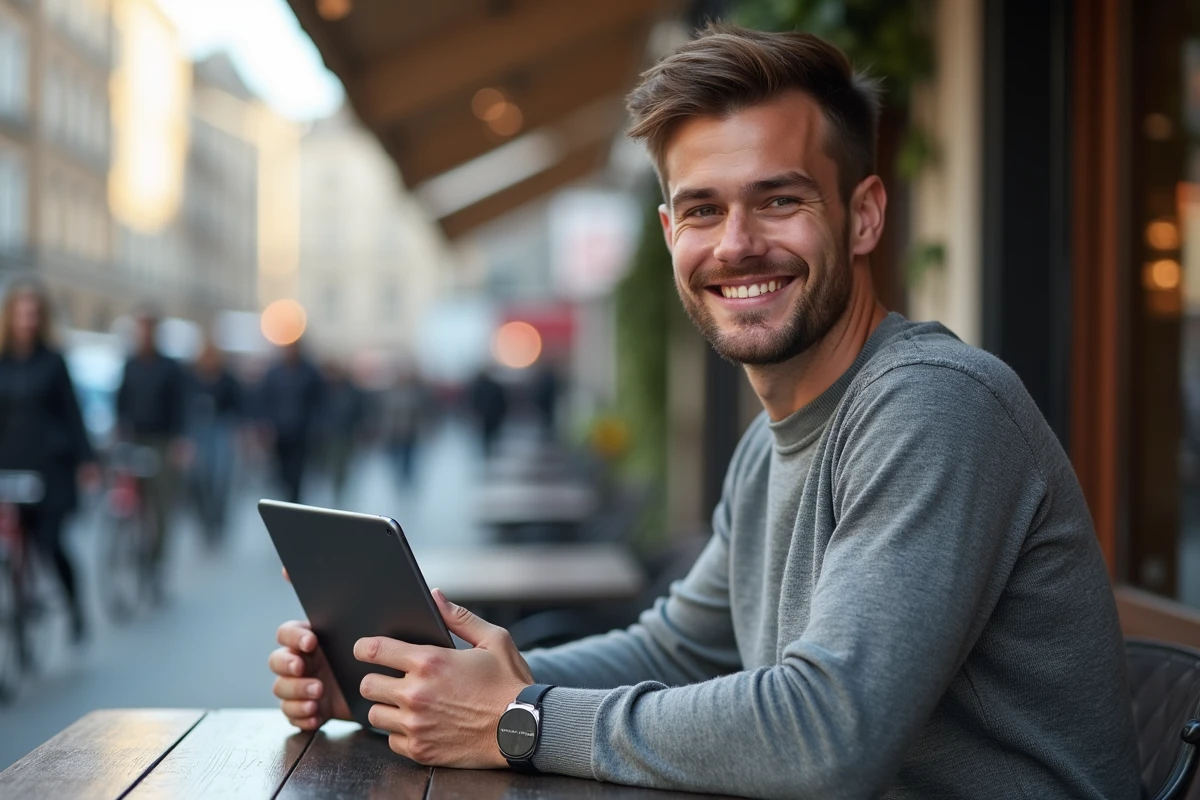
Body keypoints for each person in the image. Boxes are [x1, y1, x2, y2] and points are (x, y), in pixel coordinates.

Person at [268, 24, 1140, 799]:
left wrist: (518, 720)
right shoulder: (774, 443)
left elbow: (828, 735)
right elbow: (677, 650)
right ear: (669, 234)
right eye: (703, 209)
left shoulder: (935, 406)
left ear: (865, 216)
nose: (736, 244)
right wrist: (420, 684)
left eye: (780, 199)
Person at [0, 280, 95, 646]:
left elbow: (72, 414)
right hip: (9, 465)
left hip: (49, 469)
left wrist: (85, 460)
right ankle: (17, 608)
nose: (27, 320)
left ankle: (74, 603)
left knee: (50, 542)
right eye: (21, 313)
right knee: (12, 541)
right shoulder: (3, 361)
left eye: (33, 314)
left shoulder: (53, 361)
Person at [116, 310, 189, 603]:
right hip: (135, 439)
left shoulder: (170, 367)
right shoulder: (130, 364)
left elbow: (181, 405)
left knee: (161, 507)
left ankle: (157, 563)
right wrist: (119, 430)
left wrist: (180, 441)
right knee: (129, 498)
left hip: (163, 441)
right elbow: (120, 401)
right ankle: (129, 547)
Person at [186, 339, 242, 548]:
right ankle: (205, 521)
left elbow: (238, 406)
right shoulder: (193, 378)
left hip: (220, 429)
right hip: (198, 430)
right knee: (198, 478)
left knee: (219, 479)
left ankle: (217, 523)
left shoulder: (227, 379)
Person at [259, 341, 323, 505]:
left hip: (301, 431)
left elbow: (318, 400)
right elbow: (265, 400)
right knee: (281, 470)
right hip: (279, 431)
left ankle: (294, 500)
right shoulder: (274, 373)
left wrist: (315, 424)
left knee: (297, 470)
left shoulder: (309, 372)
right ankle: (287, 495)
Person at [317, 361, 364, 505]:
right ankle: (335, 486)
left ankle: (339, 488)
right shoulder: (324, 390)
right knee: (331, 463)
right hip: (328, 434)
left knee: (342, 464)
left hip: (346, 434)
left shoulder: (352, 390)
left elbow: (360, 409)